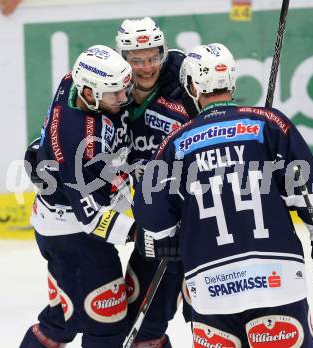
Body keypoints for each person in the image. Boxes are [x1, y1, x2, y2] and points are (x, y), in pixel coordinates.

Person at [132, 43, 313, 347]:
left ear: (192, 85)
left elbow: (152, 220)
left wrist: (166, 240)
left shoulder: (175, 143)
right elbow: (310, 197)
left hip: (211, 291)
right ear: (231, 81)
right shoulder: (270, 123)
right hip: (279, 281)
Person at [20, 45, 136, 348]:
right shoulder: (80, 149)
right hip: (75, 238)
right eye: (114, 94)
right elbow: (91, 217)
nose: (123, 99)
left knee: (61, 321)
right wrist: (138, 232)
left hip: (54, 223)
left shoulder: (70, 82)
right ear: (89, 92)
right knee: (107, 324)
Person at [115, 16, 196, 348]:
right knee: (140, 328)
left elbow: (223, 116)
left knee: (210, 319)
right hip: (152, 225)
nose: (146, 67)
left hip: (197, 220)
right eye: (136, 60)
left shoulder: (185, 86)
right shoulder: (111, 95)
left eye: (152, 57)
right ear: (123, 61)